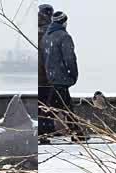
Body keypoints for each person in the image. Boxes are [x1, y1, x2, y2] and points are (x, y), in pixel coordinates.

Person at [41, 10, 83, 141]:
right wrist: (73, 75)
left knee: (59, 107)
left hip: (52, 77)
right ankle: (76, 133)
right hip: (61, 78)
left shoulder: (46, 37)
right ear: (64, 22)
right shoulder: (64, 37)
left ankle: (76, 133)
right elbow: (70, 59)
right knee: (60, 109)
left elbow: (44, 58)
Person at [37, 5, 55, 140]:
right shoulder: (50, 32)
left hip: (39, 75)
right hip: (47, 75)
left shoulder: (38, 30)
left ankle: (45, 130)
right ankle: (46, 131)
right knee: (46, 105)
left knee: (42, 104)